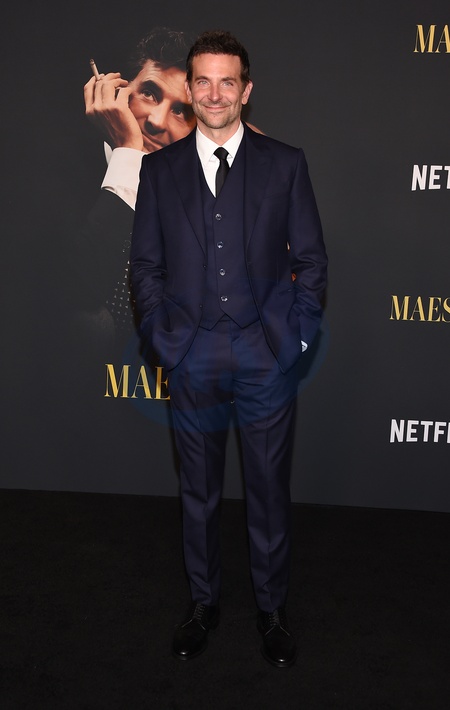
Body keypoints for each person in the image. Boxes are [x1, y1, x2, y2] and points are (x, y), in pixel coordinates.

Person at [130, 30, 327, 667]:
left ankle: (272, 609)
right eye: (204, 82)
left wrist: (294, 339)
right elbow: (145, 267)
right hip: (191, 354)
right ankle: (202, 602)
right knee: (198, 491)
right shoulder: (159, 170)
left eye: (227, 82)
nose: (215, 94)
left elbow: (312, 262)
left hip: (265, 354)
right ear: (191, 89)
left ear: (246, 90)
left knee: (268, 489)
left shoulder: (285, 164)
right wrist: (162, 336)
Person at [65, 28, 196, 348]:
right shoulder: (48, 169)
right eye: (150, 93)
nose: (157, 121)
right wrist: (128, 153)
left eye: (181, 111)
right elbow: (69, 295)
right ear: (118, 92)